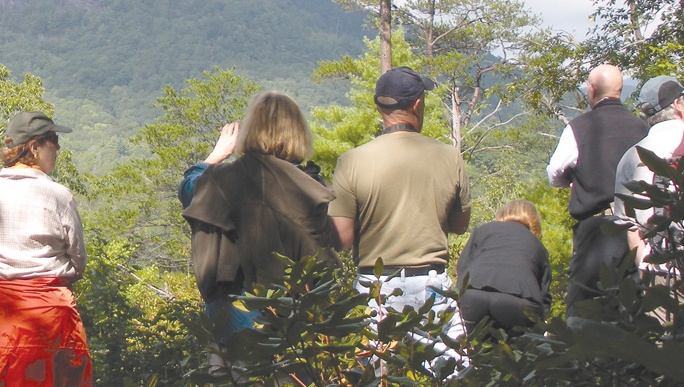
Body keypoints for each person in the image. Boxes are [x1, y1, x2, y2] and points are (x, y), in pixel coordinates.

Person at [329, 67, 472, 357]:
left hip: (376, 290)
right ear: (418, 104)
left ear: (378, 107)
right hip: (432, 286)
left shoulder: (351, 161)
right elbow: (460, 225)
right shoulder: (449, 156)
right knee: (450, 383)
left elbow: (341, 239)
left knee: (375, 384)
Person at [0, 111, 99, 387]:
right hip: (51, 315)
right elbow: (78, 260)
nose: (59, 148)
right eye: (54, 140)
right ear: (35, 147)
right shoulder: (58, 195)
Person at [181, 93, 340, 343]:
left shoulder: (226, 180)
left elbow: (190, 191)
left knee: (230, 376)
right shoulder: (311, 186)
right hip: (296, 311)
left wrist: (215, 157)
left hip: (235, 309)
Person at [547, 64, 648, 313]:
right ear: (620, 90)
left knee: (584, 307)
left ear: (591, 90)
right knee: (632, 306)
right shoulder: (642, 128)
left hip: (596, 230)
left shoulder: (579, 128)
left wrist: (573, 177)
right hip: (635, 230)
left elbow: (554, 173)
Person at [614, 75, 684, 272]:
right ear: (677, 104)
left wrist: (645, 270)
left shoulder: (630, 158)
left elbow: (630, 228)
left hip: (661, 274)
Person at [457, 200, 552, 333]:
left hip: (473, 296)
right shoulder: (536, 244)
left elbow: (462, 269)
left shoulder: (483, 230)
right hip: (518, 303)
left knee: (476, 349)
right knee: (517, 351)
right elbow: (544, 294)